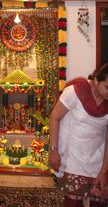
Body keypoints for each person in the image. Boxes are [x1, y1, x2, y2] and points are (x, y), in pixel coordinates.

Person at [49, 63, 108, 207]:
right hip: (73, 160)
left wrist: (104, 170)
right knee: (72, 203)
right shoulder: (75, 91)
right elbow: (54, 117)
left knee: (99, 203)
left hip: (97, 161)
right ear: (96, 81)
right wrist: (54, 151)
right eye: (107, 87)